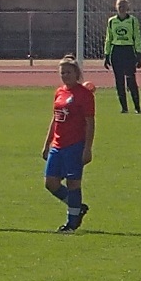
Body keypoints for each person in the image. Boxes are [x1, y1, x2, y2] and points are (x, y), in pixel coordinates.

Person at [42, 55, 96, 233]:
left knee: (73, 183)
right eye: (62, 73)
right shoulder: (59, 92)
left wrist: (87, 148)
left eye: (68, 72)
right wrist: (47, 143)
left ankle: (71, 223)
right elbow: (55, 119)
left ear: (76, 74)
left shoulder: (84, 95)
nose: (65, 76)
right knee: (51, 183)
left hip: (74, 145)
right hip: (57, 145)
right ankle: (77, 207)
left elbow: (90, 123)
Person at [103, 0, 141, 114]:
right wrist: (106, 55)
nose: (121, 8)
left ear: (127, 7)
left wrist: (138, 54)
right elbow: (108, 38)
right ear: (116, 7)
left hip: (128, 51)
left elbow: (137, 37)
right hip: (116, 51)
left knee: (131, 80)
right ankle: (124, 108)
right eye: (119, 6)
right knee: (119, 81)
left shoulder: (132, 20)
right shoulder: (112, 21)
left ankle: (137, 107)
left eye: (123, 6)